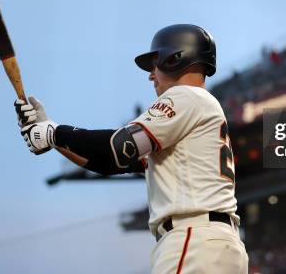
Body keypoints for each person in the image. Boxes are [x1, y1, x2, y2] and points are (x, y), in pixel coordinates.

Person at [14, 24, 248, 274]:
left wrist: (54, 131)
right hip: (216, 245)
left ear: (175, 57)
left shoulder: (185, 96)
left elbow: (118, 145)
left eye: (154, 65)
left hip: (192, 240)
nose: (150, 75)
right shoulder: (199, 107)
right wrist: (53, 139)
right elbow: (109, 163)